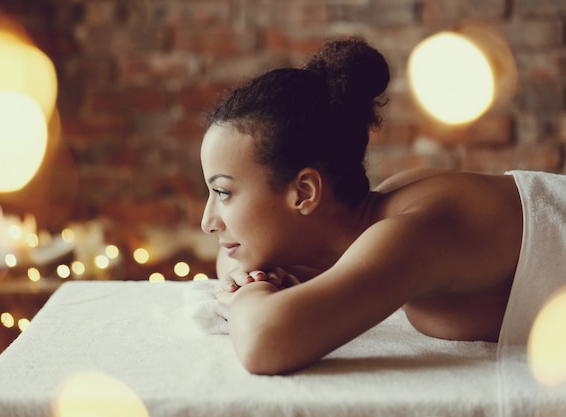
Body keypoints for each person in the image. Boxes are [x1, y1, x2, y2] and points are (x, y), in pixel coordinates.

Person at [199, 37, 563, 375]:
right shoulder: (364, 230)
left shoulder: (408, 233)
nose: (208, 222)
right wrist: (256, 279)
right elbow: (232, 261)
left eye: (224, 193)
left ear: (304, 192)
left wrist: (248, 292)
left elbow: (264, 342)